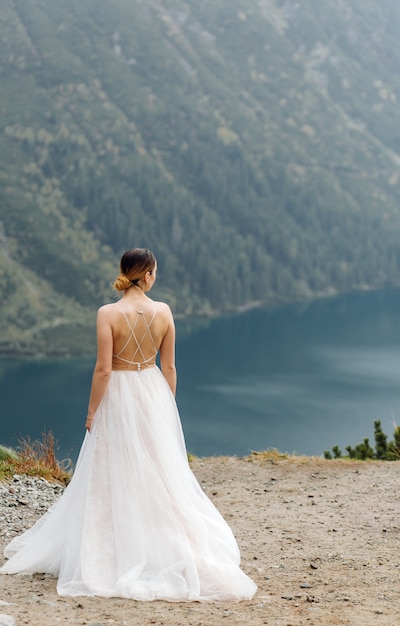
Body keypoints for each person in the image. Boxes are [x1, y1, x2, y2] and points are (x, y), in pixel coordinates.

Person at [1, 248, 257, 602]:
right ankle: (163, 545)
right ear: (148, 274)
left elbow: (104, 369)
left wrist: (92, 412)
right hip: (152, 391)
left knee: (111, 469)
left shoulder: (108, 313)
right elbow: (169, 368)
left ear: (124, 273)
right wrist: (165, 405)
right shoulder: (164, 311)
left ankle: (110, 548)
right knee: (157, 471)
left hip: (118, 392)